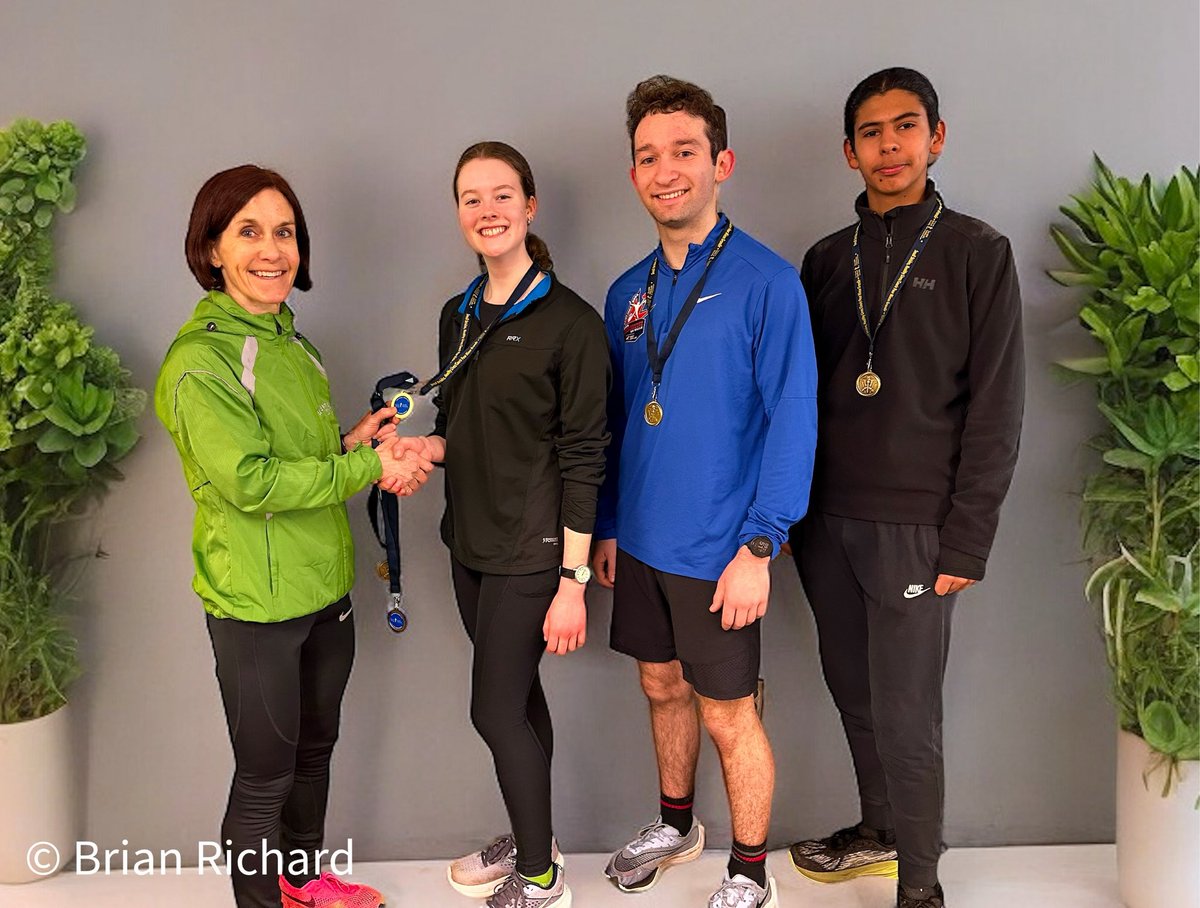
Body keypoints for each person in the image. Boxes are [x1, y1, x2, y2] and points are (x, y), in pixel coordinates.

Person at [155, 164, 433, 908]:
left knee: (313, 755)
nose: (272, 249)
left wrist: (352, 443)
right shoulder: (201, 362)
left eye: (285, 232)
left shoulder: (294, 345)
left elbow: (296, 463)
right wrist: (370, 465)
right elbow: (251, 482)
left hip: (324, 589)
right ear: (212, 248)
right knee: (264, 777)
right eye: (248, 231)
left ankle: (303, 884)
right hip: (257, 605)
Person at [785, 68, 1024, 908]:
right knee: (853, 693)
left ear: (936, 138)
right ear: (849, 151)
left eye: (906, 126)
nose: (889, 145)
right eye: (872, 132)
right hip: (826, 524)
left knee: (908, 714)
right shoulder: (825, 260)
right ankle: (881, 831)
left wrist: (968, 539)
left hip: (917, 529)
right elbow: (795, 400)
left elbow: (997, 408)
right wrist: (789, 517)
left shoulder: (976, 252)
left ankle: (919, 886)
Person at [592, 75, 818, 908]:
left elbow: (794, 420)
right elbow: (618, 422)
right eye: (649, 156)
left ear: (721, 163)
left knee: (729, 714)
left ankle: (750, 872)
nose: (666, 170)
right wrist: (608, 524)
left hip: (722, 548)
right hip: (641, 542)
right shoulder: (627, 293)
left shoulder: (767, 282)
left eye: (684, 151)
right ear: (634, 175)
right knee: (660, 687)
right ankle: (676, 825)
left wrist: (761, 544)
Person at [401, 141, 610, 908]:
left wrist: (573, 582)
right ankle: (535, 841)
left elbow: (585, 457)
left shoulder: (571, 323)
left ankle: (541, 880)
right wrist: (423, 446)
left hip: (534, 550)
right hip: (469, 543)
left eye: (501, 195)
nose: (487, 211)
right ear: (459, 212)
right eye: (471, 198)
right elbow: (461, 430)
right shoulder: (457, 316)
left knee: (492, 708)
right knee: (518, 701)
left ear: (529, 206)